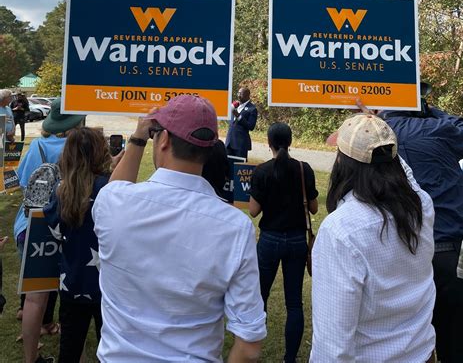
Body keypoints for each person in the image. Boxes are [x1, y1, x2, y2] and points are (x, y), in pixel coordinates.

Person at [92, 95, 266, 362]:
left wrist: (138, 138)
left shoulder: (114, 203)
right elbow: (249, 344)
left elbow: (116, 187)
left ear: (163, 140)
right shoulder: (234, 227)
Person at [310, 113, 436, 363]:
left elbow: (332, 347)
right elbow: (406, 176)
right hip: (422, 354)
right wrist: (378, 134)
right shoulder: (421, 205)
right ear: (393, 160)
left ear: (342, 163)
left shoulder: (341, 230)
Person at [380, 88, 463, 363]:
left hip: (406, 254)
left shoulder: (381, 133)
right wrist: (431, 110)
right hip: (456, 253)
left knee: (409, 345)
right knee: (461, 342)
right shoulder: (440, 128)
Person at [14, 99, 86, 363]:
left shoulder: (36, 146)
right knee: (71, 298)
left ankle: (30, 359)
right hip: (66, 225)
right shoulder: (79, 149)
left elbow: (24, 183)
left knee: (34, 300)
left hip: (31, 225)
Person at [249, 122, 318, 363]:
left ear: (269, 143)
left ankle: (252, 348)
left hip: (269, 239)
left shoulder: (262, 171)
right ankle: (290, 358)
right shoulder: (303, 169)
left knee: (261, 296)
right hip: (297, 240)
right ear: (290, 141)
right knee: (294, 302)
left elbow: (254, 211)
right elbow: (314, 207)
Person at [43, 127, 111, 363]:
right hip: (107, 287)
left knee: (69, 348)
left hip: (72, 282)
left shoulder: (61, 192)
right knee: (111, 348)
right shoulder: (108, 189)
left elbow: (54, 230)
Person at [225, 87, 258, 160]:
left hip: (240, 144)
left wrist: (238, 116)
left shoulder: (252, 109)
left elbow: (251, 126)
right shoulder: (235, 105)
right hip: (229, 143)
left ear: (247, 95)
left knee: (239, 168)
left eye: (241, 94)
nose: (238, 95)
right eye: (238, 93)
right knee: (226, 167)